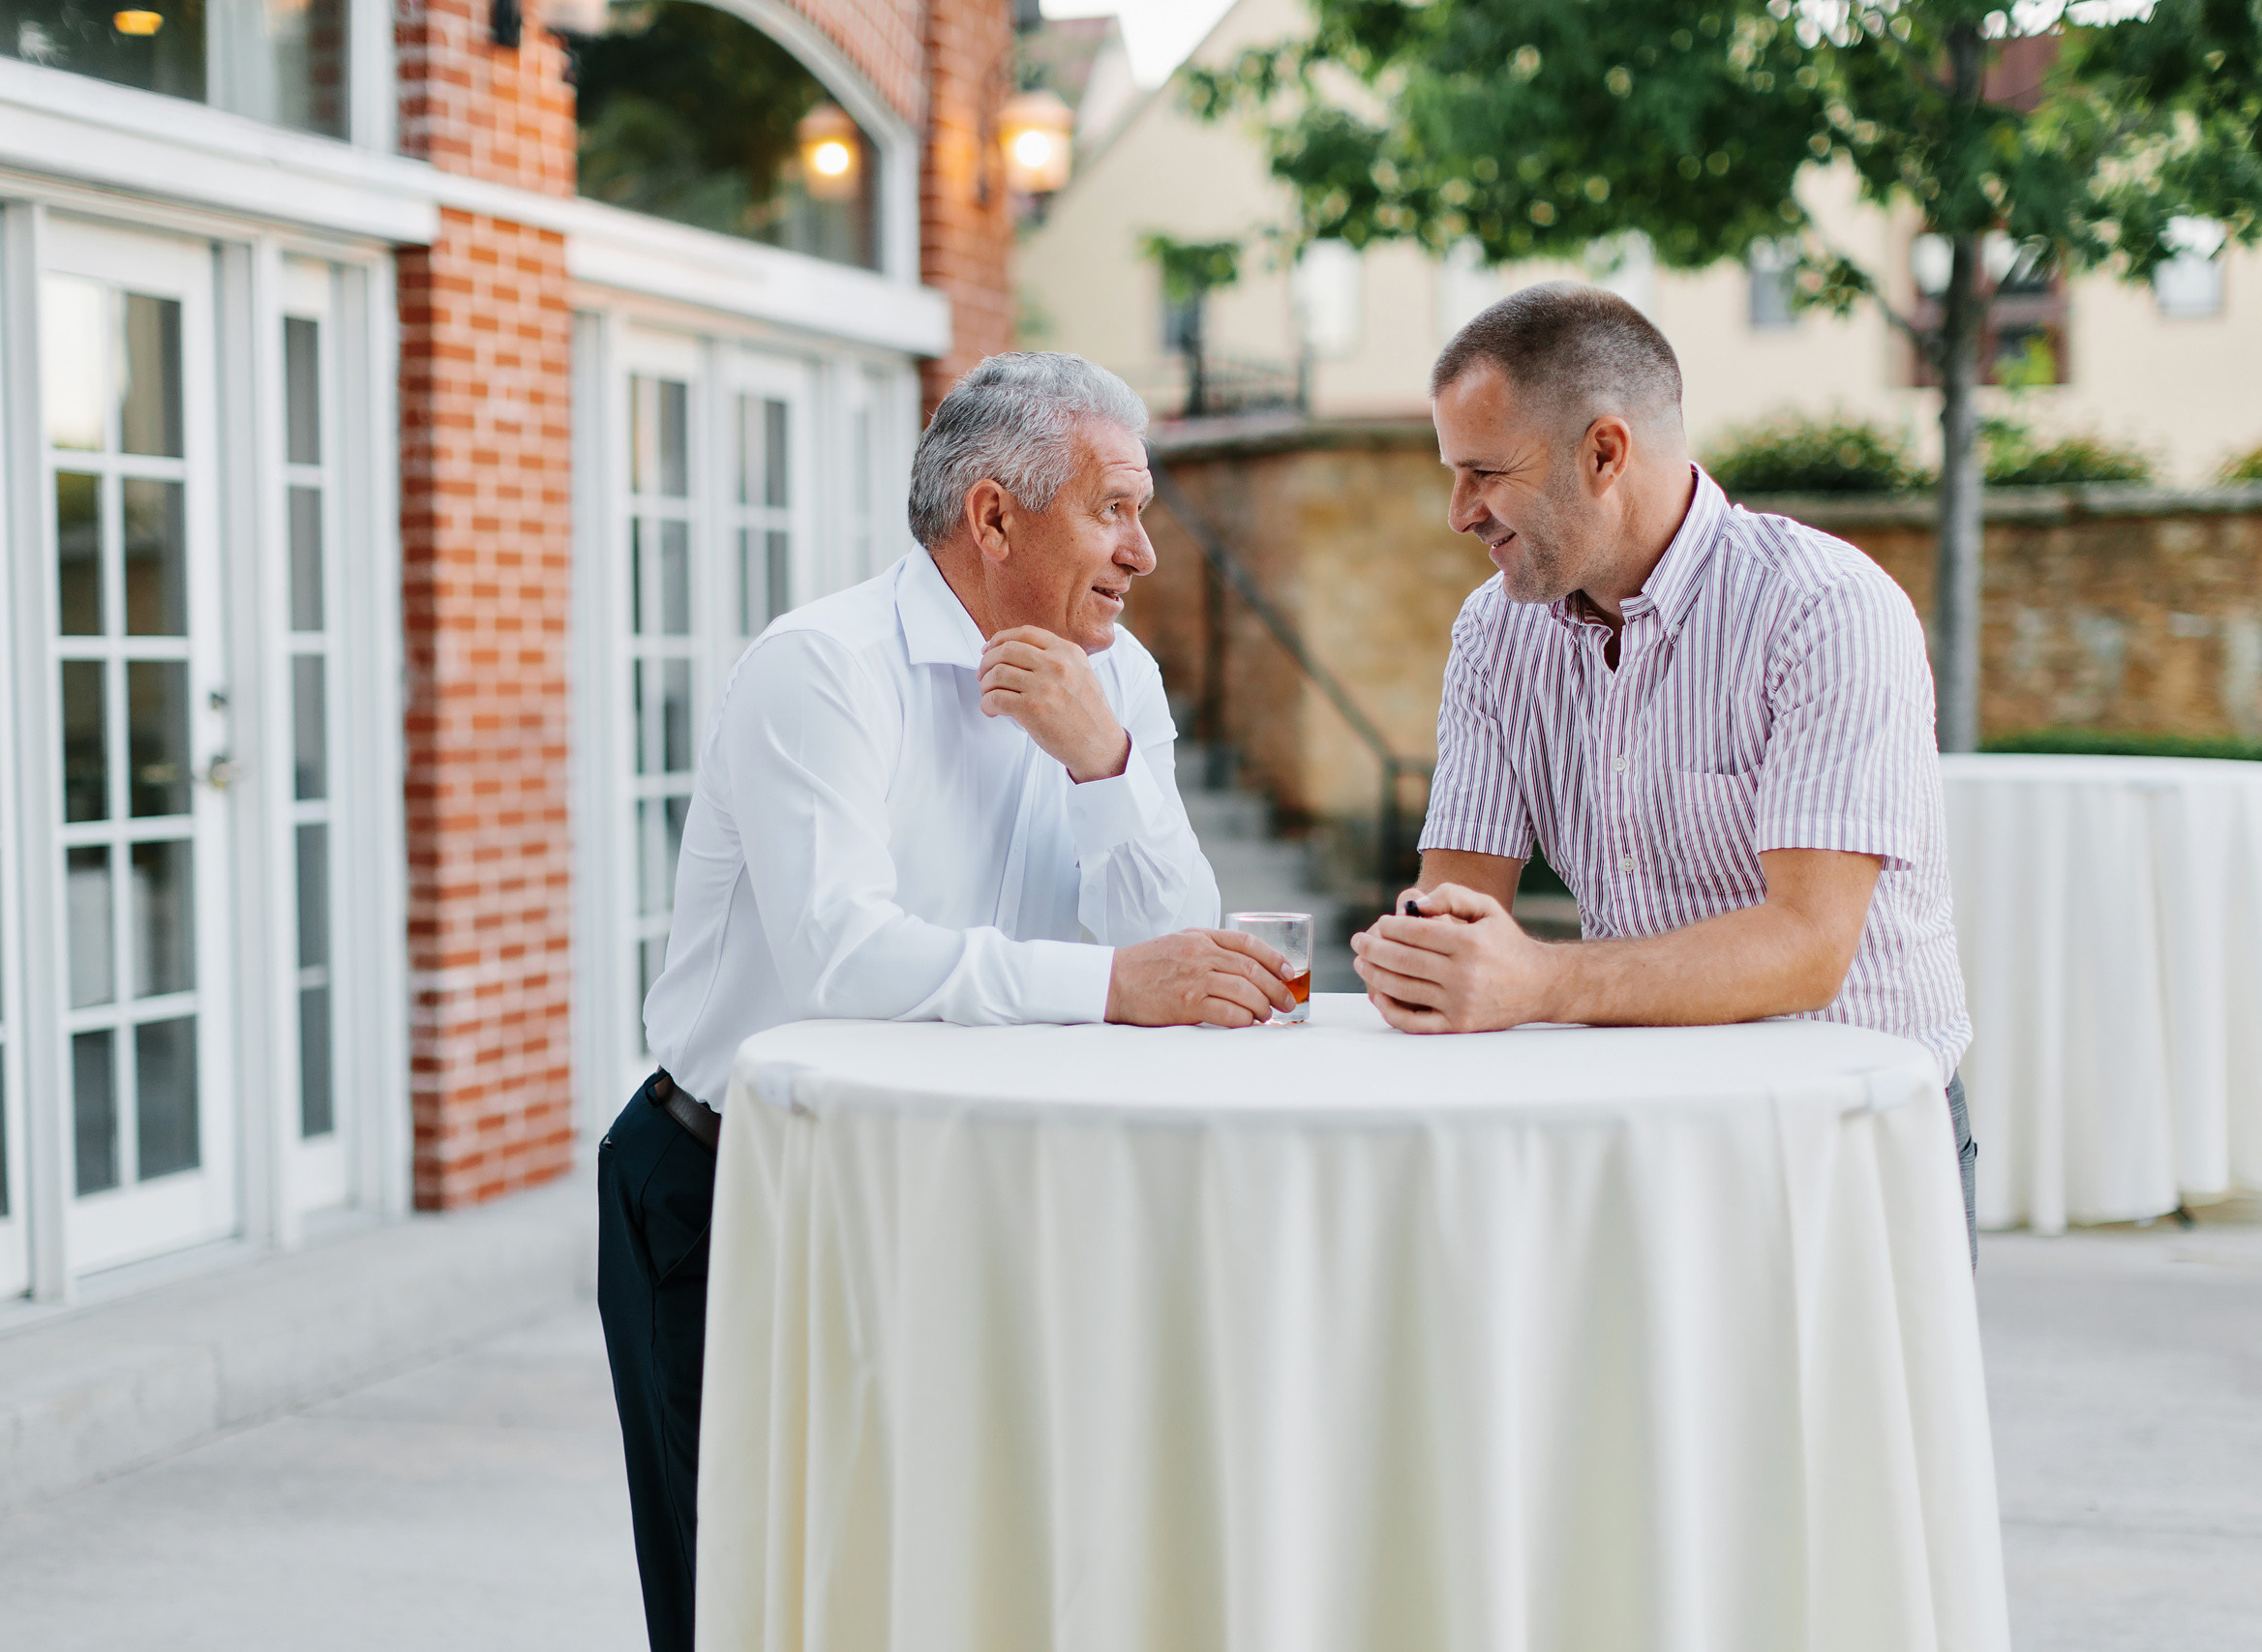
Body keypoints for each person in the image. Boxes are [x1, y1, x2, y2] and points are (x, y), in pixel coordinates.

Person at [597, 351, 1298, 1652]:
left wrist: (1106, 764)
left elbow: (1175, 952)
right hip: (741, 1189)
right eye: (1116, 509)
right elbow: (841, 962)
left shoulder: (1119, 678)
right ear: (992, 516)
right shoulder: (821, 667)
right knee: (745, 1592)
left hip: (978, 1183)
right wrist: (1108, 987)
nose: (1145, 552)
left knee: (956, 1587)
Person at [1350, 282, 1975, 1248]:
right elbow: (1457, 903)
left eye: (1482, 472)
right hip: (1635, 1133)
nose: (1457, 511)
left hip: (1843, 1140)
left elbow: (1808, 949)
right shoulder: (1491, 633)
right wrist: (1422, 959)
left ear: (1604, 452)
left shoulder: (1823, 608)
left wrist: (1537, 983)